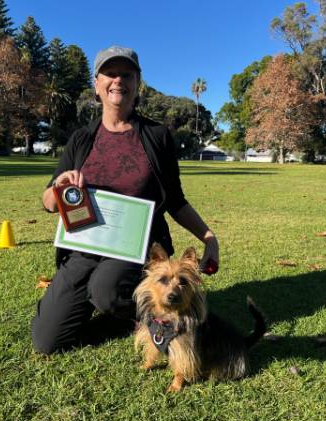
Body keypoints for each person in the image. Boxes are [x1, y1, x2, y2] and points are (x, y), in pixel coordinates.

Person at [31, 46, 219, 354]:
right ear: (97, 84)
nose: (118, 80)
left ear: (137, 83)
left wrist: (209, 237)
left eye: (126, 74)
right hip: (84, 247)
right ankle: (131, 308)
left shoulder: (156, 136)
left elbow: (175, 200)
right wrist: (58, 188)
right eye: (110, 73)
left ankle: (144, 312)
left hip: (136, 248)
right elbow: (49, 202)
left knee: (105, 290)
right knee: (46, 341)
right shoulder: (81, 138)